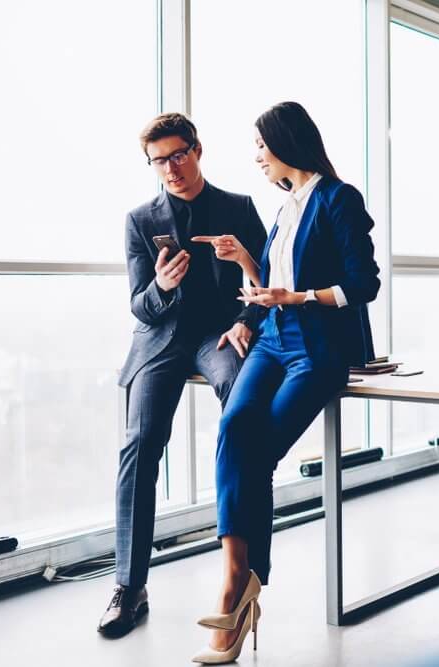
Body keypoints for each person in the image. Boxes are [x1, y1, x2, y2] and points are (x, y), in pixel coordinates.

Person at [189, 101, 380, 664]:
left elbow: (362, 284)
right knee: (233, 431)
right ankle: (236, 578)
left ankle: (240, 589)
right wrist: (248, 266)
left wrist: (296, 298)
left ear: (284, 143)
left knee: (257, 451)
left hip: (316, 347)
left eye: (259, 146)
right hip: (272, 337)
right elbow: (272, 282)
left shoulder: (337, 199)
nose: (255, 157)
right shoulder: (286, 207)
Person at [98, 113, 268, 638]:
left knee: (241, 421)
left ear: (197, 150)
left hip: (219, 335)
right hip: (161, 342)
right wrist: (162, 287)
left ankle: (243, 576)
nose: (169, 168)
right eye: (158, 161)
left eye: (177, 155)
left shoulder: (238, 208)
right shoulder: (138, 220)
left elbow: (267, 282)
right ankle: (130, 586)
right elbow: (140, 308)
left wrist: (244, 322)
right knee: (139, 444)